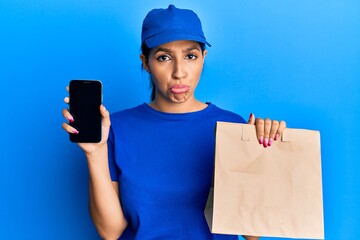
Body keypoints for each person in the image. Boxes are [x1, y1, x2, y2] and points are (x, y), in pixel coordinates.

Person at [62, 4, 286, 240]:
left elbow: (251, 234)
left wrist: (264, 154)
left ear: (203, 59)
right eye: (164, 57)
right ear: (146, 62)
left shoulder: (232, 126)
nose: (179, 71)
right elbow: (111, 232)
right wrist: (95, 153)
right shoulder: (115, 128)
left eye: (190, 56)